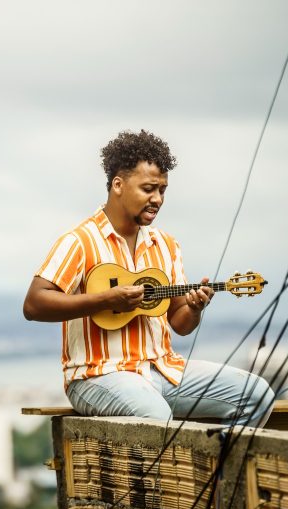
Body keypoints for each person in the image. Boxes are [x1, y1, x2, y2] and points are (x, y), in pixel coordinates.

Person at [22, 129, 273, 427]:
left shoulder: (166, 245)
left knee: (257, 395)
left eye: (162, 190)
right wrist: (106, 299)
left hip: (162, 370)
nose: (157, 199)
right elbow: (34, 304)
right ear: (118, 185)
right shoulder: (80, 241)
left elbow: (180, 323)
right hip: (96, 376)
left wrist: (194, 308)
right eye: (148, 189)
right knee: (155, 416)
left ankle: (217, 474)